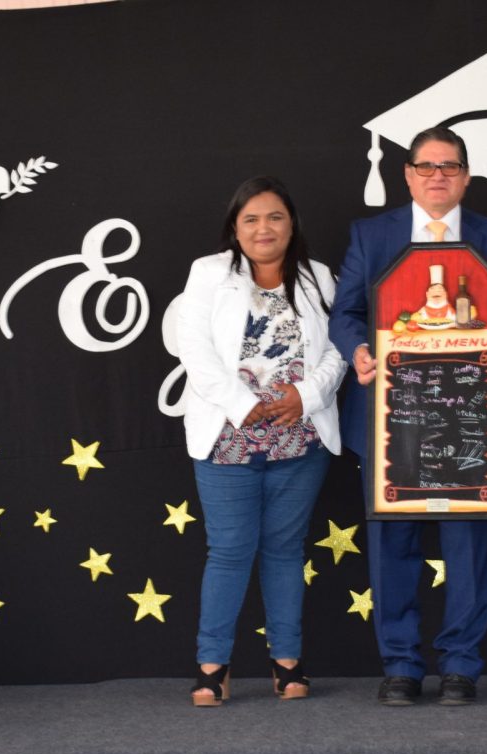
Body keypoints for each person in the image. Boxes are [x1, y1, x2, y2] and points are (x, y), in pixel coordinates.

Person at [330, 127, 487, 706]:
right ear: (408, 175)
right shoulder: (371, 235)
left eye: (449, 166)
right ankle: (400, 664)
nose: (437, 175)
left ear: (466, 176)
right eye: (426, 166)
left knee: (470, 545)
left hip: (471, 415)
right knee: (392, 546)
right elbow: (345, 313)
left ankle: (461, 665)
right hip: (391, 414)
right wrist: (358, 350)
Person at [177, 176, 346, 706]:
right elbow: (193, 347)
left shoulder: (319, 277)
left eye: (274, 217)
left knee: (285, 550)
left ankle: (287, 662)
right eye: (250, 219)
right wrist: (241, 404)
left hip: (300, 441)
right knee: (229, 551)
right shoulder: (209, 273)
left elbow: (339, 348)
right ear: (235, 227)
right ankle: (213, 666)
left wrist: (306, 395)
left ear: (292, 224)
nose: (263, 228)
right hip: (227, 440)